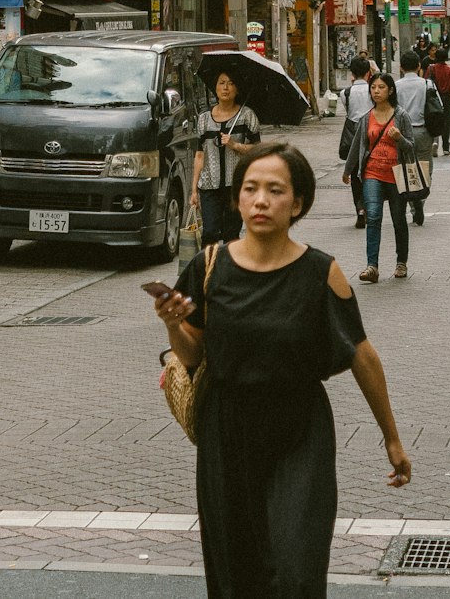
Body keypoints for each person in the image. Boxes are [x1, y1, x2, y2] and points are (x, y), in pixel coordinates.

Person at [156, 143, 411, 599]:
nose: (260, 200)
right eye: (250, 189)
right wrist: (176, 324)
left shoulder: (321, 271)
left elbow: (361, 354)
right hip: (226, 431)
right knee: (237, 574)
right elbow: (192, 356)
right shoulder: (209, 266)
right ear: (237, 199)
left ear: (297, 204)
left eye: (275, 190)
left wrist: (391, 437)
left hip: (300, 431)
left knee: (296, 572)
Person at [342, 73, 416, 282]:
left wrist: (399, 138)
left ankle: (401, 262)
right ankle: (371, 266)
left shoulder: (401, 116)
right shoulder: (366, 118)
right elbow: (357, 146)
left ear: (390, 90)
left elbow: (411, 147)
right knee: (372, 217)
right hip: (372, 172)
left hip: (396, 175)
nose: (376, 91)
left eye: (381, 87)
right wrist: (348, 170)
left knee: (398, 219)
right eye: (373, 87)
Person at [191, 71, 262, 244]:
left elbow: (258, 150)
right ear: (215, 88)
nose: (225, 87)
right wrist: (193, 190)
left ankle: (228, 269)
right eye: (221, 83)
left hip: (235, 185)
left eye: (230, 83)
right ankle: (210, 269)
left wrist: (235, 145)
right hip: (209, 186)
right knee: (209, 233)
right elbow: (199, 154)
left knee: (231, 234)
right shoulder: (203, 119)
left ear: (237, 89)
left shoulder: (247, 116)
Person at [395, 50, 436, 226]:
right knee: (425, 167)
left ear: (401, 68)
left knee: (404, 169)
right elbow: (437, 108)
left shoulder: (395, 86)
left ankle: (412, 204)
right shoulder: (427, 84)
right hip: (423, 131)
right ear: (419, 66)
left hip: (401, 133)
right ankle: (420, 201)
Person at [339, 56, 374, 229]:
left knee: (354, 174)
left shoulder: (345, 93)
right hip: (371, 132)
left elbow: (348, 111)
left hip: (353, 134)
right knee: (370, 172)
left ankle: (359, 209)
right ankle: (369, 206)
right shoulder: (373, 91)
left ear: (352, 73)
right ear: (369, 72)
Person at [425, 47, 450, 155]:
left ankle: (434, 142)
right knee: (446, 122)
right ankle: (446, 147)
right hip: (445, 98)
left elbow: (426, 83)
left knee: (434, 120)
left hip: (433, 98)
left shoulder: (431, 68)